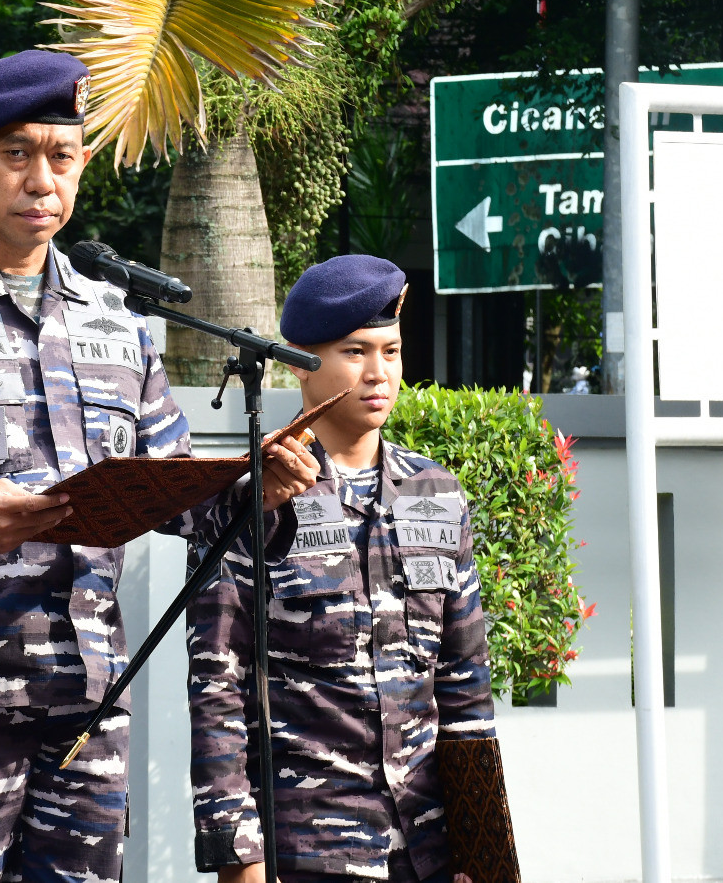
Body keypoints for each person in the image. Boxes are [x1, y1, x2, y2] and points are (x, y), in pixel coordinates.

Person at [0, 48, 319, 883]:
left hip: (89, 701)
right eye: (17, 154)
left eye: (62, 156)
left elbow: (167, 490)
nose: (43, 179)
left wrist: (257, 494)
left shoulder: (117, 322)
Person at [187, 254, 496, 883]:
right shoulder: (257, 498)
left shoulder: (435, 492)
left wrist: (480, 846)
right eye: (355, 352)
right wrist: (236, 858)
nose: (379, 373)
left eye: (392, 351)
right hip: (308, 844)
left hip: (429, 847)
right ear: (302, 361)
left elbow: (465, 686)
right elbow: (218, 687)